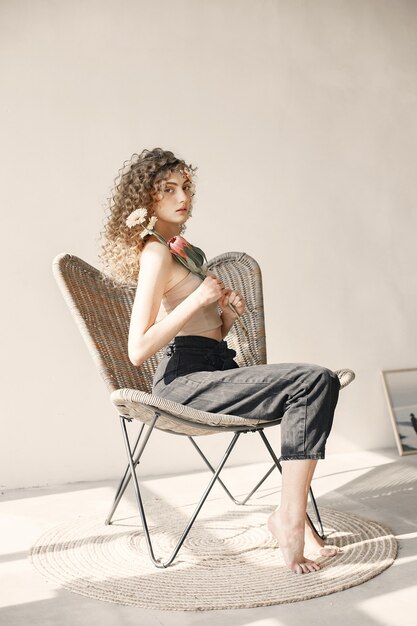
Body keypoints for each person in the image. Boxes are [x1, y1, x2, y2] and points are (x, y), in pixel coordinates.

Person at [100, 147, 345, 574]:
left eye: (187, 187)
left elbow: (205, 333)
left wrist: (226, 315)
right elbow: (138, 349)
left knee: (315, 384)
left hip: (215, 368)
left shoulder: (179, 251)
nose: (184, 197)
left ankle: (290, 517)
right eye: (170, 189)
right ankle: (289, 520)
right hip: (184, 381)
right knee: (314, 380)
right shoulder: (155, 253)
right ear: (147, 200)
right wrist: (197, 297)